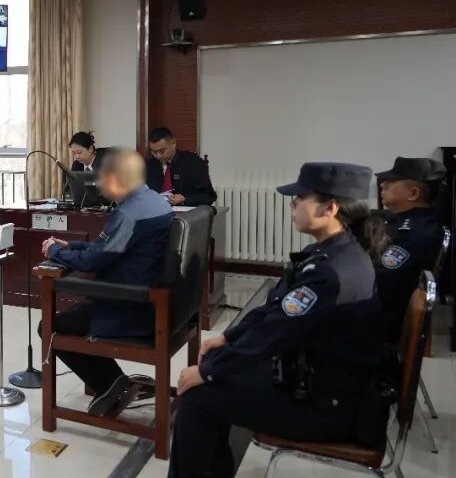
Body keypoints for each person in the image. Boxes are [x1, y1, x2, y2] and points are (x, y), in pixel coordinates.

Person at [168, 163, 389, 478]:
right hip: (315, 377)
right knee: (217, 366)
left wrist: (207, 372)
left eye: (300, 198)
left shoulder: (331, 272)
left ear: (330, 208)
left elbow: (275, 333)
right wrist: (229, 338)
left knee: (198, 395)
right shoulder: (332, 253)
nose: (292, 204)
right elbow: (275, 307)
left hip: (328, 404)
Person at [39, 149, 173, 414]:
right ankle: (111, 379)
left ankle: (108, 382)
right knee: (73, 315)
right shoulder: (155, 202)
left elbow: (93, 262)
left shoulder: (129, 214)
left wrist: (55, 252)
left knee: (49, 326)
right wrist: (73, 246)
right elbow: (111, 248)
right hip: (151, 298)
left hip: (128, 305)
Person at [375, 156, 446, 343]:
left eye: (391, 182)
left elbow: (380, 281)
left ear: (413, 193)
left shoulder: (414, 234)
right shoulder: (412, 221)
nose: (382, 185)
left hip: (380, 325)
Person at [145, 127, 216, 207]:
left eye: (162, 151)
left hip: (186, 212)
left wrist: (185, 199)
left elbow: (208, 197)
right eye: (154, 152)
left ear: (173, 143)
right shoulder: (148, 166)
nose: (158, 156)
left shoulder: (194, 163)